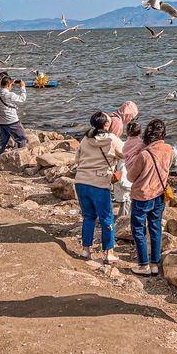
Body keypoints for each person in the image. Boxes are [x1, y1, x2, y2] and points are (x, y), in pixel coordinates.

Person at [73, 111, 124, 263]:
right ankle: (109, 253)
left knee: (88, 216)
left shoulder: (85, 138)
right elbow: (124, 154)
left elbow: (77, 158)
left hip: (81, 181)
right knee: (107, 218)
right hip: (99, 183)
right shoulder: (111, 139)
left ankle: (85, 250)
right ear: (106, 124)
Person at [126, 118, 174, 277]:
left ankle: (143, 264)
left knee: (138, 230)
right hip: (159, 195)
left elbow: (131, 177)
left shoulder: (144, 155)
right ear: (163, 134)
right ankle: (155, 263)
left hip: (142, 196)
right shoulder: (169, 150)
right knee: (155, 229)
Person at [107, 101, 139, 217]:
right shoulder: (118, 122)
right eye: (132, 117)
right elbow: (112, 141)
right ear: (128, 114)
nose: (131, 120)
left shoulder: (112, 115)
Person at [0, 76, 28, 161]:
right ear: (8, 84)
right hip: (12, 121)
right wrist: (22, 87)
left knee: (3, 141)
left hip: (0, 122)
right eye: (11, 85)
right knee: (22, 139)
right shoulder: (10, 95)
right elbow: (22, 99)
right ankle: (20, 160)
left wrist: (11, 83)